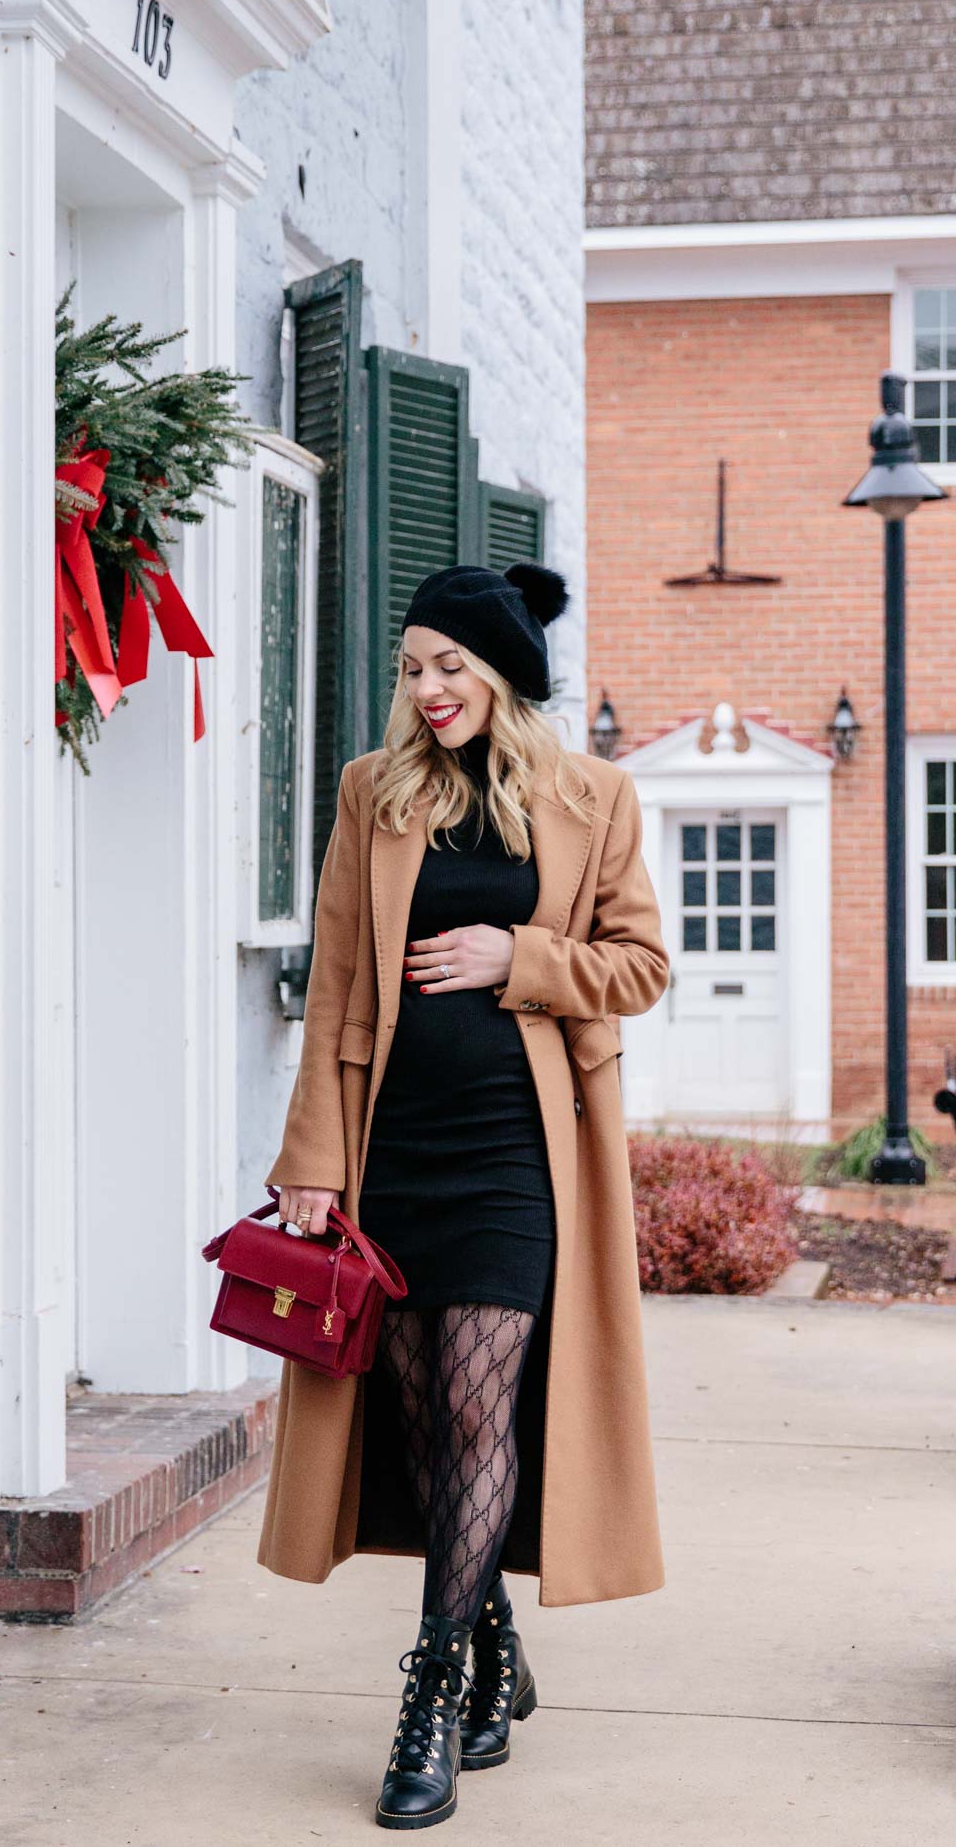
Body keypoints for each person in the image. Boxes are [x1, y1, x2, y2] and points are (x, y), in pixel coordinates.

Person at [262, 561, 671, 1830]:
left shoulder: (592, 798)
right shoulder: (371, 798)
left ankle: (427, 1696)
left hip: (517, 1155)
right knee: (426, 1424)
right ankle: (491, 1645)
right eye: (411, 668)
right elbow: (336, 984)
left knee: (481, 1404)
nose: (427, 689)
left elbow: (641, 964)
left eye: (450, 666)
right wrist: (313, 1169)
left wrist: (521, 956)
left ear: (501, 675)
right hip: (393, 1155)